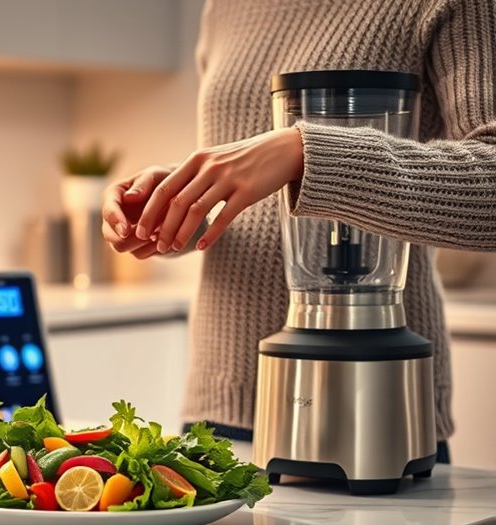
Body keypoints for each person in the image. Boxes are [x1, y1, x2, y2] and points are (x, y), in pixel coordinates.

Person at [102, 0, 496, 463]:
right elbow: (249, 189)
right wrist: (175, 205)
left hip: (372, 408)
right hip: (219, 405)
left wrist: (306, 154)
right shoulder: (224, 9)